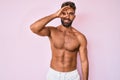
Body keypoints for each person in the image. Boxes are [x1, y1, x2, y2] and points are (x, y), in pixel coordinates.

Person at [30, 1, 89, 80]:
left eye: (71, 13)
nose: (67, 16)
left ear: (74, 16)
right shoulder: (52, 31)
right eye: (64, 13)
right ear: (60, 14)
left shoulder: (80, 37)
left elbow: (84, 61)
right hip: (53, 74)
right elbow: (34, 28)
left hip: (72, 76)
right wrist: (55, 15)